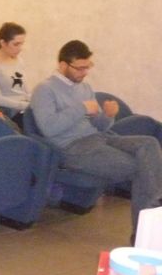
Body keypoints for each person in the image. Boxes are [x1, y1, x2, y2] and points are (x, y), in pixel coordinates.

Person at [31, 40, 162, 233]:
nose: (84, 72)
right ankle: (145, 229)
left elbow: (99, 126)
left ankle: (151, 217)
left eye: (87, 67)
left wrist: (108, 116)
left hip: (100, 137)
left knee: (149, 144)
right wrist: (81, 108)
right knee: (141, 168)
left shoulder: (84, 88)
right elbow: (49, 128)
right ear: (63, 65)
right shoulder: (44, 90)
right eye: (79, 68)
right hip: (74, 147)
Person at [0, 22, 31, 125]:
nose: (20, 48)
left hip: (25, 108)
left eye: (22, 44)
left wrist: (33, 102)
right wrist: (24, 105)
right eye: (16, 44)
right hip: (10, 112)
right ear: (3, 43)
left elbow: (25, 90)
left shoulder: (19, 61)